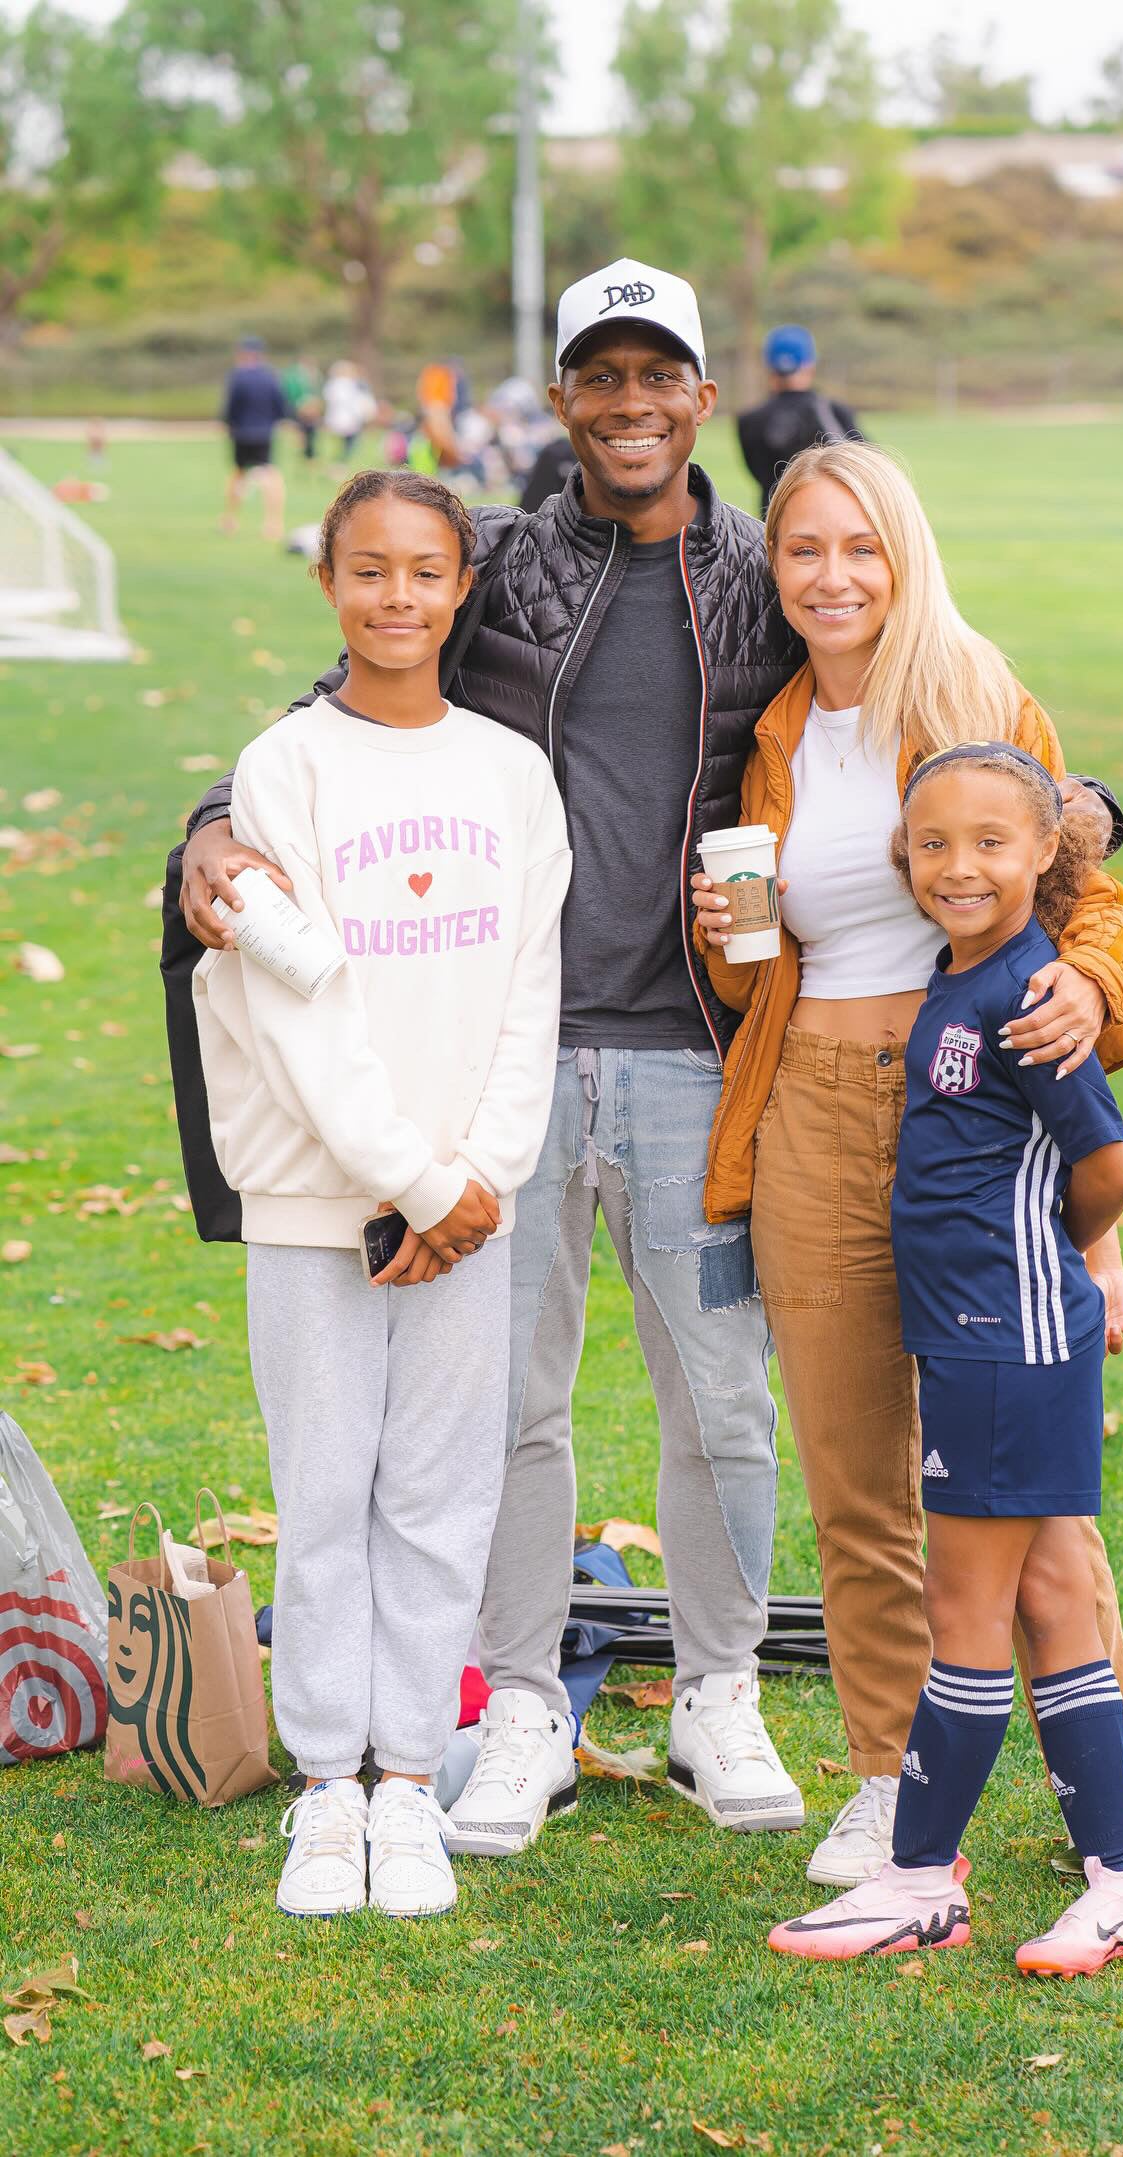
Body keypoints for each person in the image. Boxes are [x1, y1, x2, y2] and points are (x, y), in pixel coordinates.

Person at [165, 256, 811, 1858]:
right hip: (498, 1063)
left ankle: (719, 1688)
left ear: (701, 399)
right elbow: (352, 701)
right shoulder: (504, 565)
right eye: (603, 373)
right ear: (569, 396)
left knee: (722, 1398)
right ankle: (521, 1696)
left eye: (660, 373)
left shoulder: (763, 571)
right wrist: (211, 832)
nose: (631, 401)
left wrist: (1083, 813)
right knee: (507, 1412)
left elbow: (916, 685)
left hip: (696, 1055)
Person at [690, 441, 1123, 1890]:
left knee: (1031, 1491)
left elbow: (1091, 884)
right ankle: (890, 1780)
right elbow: (764, 956)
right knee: (854, 1475)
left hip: (976, 1111)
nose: (833, 578)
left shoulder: (969, 695)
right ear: (776, 569)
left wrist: (1085, 978)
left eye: (861, 548)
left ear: (904, 554)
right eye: (804, 552)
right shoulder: (771, 732)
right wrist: (726, 937)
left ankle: (1110, 1819)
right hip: (816, 1109)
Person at [192, 468, 570, 1918]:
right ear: (329, 583)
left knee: (439, 1491)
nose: (397, 597)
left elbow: (528, 992)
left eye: (424, 571)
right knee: (326, 1490)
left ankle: (411, 1778)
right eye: (368, 570)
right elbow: (299, 1006)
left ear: (462, 581)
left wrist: (475, 1183)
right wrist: (410, 1177)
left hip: (469, 1206)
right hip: (320, 1201)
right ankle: (326, 1789)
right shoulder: (286, 765)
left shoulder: (507, 771)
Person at [767, 743, 1123, 1973]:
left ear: (1048, 850)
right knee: (1050, 1601)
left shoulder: (1034, 993)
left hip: (1006, 1341)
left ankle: (919, 1878)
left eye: (993, 843)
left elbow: (1108, 1168)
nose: (959, 866)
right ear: (903, 852)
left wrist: (1047, 1268)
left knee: (967, 1614)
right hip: (982, 1340)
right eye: (933, 842)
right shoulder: (964, 979)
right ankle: (1121, 1879)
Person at [737, 325, 865, 512]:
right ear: (809, 364)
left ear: (768, 366)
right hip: (831, 521)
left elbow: (758, 473)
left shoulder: (749, 421)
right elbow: (866, 467)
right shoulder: (833, 412)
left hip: (773, 523)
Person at [220, 337, 288, 542]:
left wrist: (230, 424)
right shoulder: (271, 377)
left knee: (239, 474)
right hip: (264, 432)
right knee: (269, 474)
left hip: (242, 432)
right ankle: (273, 523)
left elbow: (231, 407)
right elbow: (280, 406)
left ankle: (230, 519)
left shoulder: (237, 377)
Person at [323, 361, 377, 467]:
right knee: (348, 443)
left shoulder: (332, 385)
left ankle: (337, 463)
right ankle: (340, 463)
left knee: (339, 444)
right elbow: (358, 401)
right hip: (349, 418)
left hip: (338, 418)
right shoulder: (352, 385)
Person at [282, 355, 323, 461]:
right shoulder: (294, 376)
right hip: (299, 408)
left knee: (311, 432)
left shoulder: (315, 375)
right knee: (301, 431)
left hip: (312, 408)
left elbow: (318, 391)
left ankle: (310, 454)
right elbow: (290, 393)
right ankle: (303, 452)